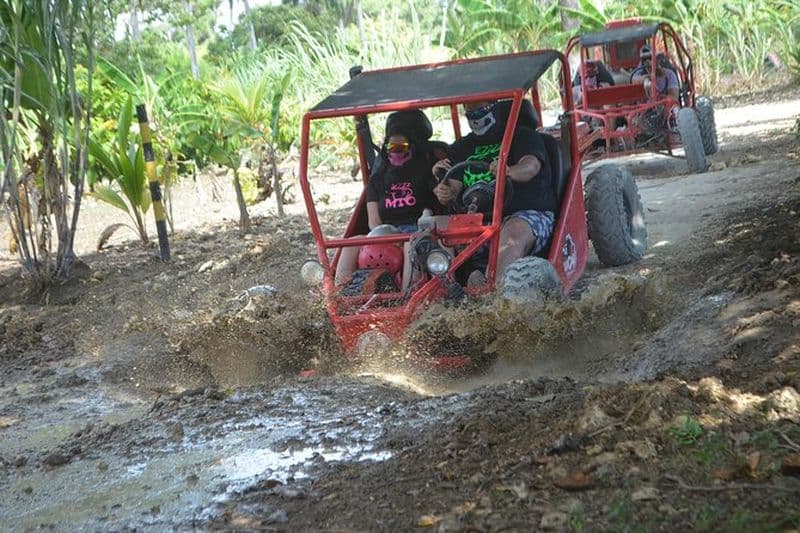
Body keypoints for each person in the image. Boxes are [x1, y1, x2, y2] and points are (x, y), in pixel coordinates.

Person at [432, 100, 557, 283]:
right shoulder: (462, 146)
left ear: (495, 105)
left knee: (512, 234)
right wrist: (444, 190)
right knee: (429, 229)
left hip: (525, 214)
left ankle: (495, 297)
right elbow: (453, 186)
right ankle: (439, 290)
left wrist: (508, 171)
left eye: (480, 107)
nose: (474, 113)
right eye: (469, 109)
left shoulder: (523, 136)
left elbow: (531, 166)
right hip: (479, 220)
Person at [335, 109, 439, 290]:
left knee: (411, 244)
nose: (396, 152)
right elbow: (373, 221)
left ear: (411, 148)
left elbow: (431, 207)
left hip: (416, 229)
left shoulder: (423, 173)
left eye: (401, 148)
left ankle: (409, 294)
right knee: (351, 244)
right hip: (385, 231)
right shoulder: (377, 179)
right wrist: (386, 236)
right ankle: (340, 294)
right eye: (391, 148)